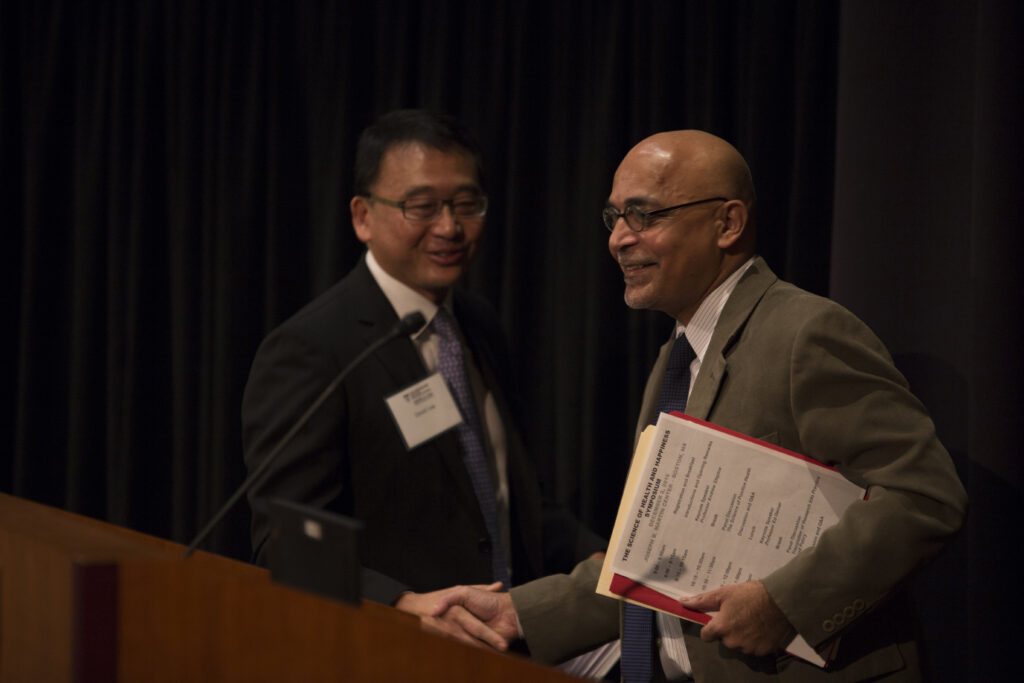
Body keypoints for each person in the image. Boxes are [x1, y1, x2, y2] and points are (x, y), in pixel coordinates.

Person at [432, 129, 968, 681]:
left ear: (728, 224)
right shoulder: (676, 356)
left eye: (643, 215)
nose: (619, 238)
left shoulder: (805, 333)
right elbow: (655, 563)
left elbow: (924, 496)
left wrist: (784, 603)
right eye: (614, 216)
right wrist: (518, 613)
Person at [241, 109, 603, 647]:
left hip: (509, 644)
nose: (450, 227)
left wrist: (604, 561)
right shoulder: (314, 348)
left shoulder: (477, 324)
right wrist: (400, 605)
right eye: (422, 206)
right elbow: (286, 542)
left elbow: (510, 498)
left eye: (466, 204)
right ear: (362, 216)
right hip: (397, 649)